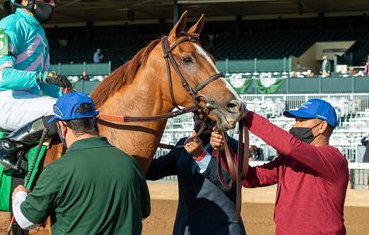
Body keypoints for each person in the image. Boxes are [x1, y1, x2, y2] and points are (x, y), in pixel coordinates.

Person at [12, 92, 151, 234]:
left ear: (62, 126)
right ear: (94, 122)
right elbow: (143, 213)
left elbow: (26, 220)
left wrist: (19, 195)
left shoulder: (57, 171)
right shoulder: (131, 164)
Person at [211, 98, 349, 235]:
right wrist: (224, 151)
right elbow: (252, 178)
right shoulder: (288, 159)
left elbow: (289, 146)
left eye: (302, 120)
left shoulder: (333, 158)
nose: (295, 125)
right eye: (296, 120)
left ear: (322, 126)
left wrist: (247, 116)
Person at [0, 0, 73, 173]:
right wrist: (43, 76)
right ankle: (8, 146)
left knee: (77, 105)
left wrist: (70, 94)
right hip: (10, 102)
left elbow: (46, 83)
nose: (52, 3)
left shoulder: (39, 32)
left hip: (28, 101)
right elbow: (3, 76)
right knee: (63, 110)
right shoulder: (7, 28)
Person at [145, 116, 247, 235]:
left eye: (211, 118)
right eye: (200, 117)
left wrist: (201, 155)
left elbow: (230, 183)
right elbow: (155, 169)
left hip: (222, 230)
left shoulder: (236, 147)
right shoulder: (182, 145)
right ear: (193, 119)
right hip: (186, 229)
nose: (206, 122)